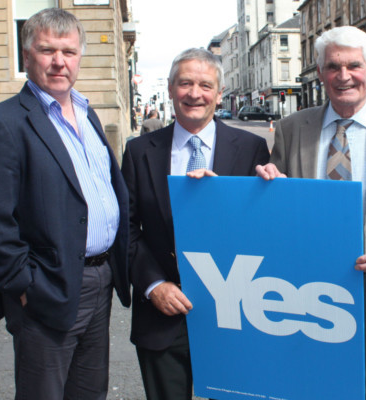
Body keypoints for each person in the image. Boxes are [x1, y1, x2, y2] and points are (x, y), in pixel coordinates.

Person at [256, 26, 366, 400]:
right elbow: (278, 214)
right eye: (333, 66)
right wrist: (268, 189)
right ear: (319, 72)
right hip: (307, 302)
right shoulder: (291, 130)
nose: (344, 76)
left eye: (354, 65)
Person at [0, 8, 130, 400]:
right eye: (47, 50)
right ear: (27, 56)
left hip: (99, 279)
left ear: (79, 58)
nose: (59, 61)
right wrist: (24, 284)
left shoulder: (87, 114)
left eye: (69, 52)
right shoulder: (2, 123)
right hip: (47, 287)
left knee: (89, 392)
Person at [121, 48, 270, 400]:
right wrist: (153, 284)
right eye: (185, 83)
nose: (194, 93)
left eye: (205, 85)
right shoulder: (139, 151)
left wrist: (238, 199)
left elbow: (262, 231)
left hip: (234, 313)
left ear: (219, 94)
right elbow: (124, 228)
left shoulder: (253, 149)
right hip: (162, 314)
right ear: (170, 89)